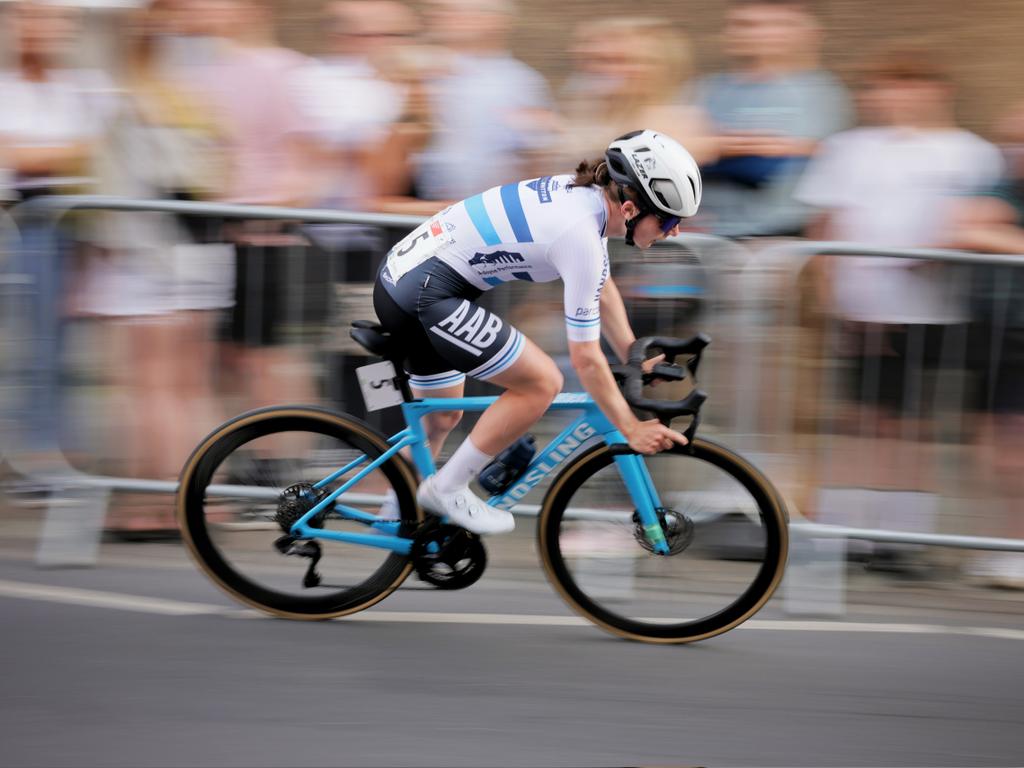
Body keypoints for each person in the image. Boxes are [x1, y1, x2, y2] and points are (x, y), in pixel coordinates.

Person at [373, 129, 700, 533]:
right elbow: (585, 358)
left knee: (440, 417)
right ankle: (448, 488)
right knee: (542, 383)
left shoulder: (583, 199)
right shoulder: (579, 234)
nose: (675, 231)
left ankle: (394, 519)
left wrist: (631, 349)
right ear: (631, 208)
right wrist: (630, 427)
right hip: (426, 295)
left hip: (406, 282)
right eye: (668, 220)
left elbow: (598, 282)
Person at [693, 0, 851, 237]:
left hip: (777, 236)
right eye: (743, 24)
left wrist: (713, 146)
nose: (754, 34)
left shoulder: (818, 92)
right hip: (702, 234)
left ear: (806, 33)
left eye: (772, 25)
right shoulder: (707, 89)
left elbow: (776, 161)